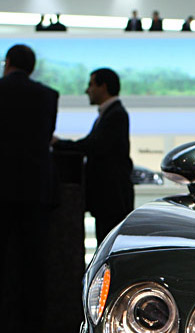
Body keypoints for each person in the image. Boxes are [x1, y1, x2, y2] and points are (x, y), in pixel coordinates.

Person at [0, 45, 59, 330]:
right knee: (35, 258)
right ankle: (35, 324)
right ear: (32, 67)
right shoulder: (48, 96)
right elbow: (46, 137)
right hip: (36, 187)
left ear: (8, 63)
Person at [52, 69, 134, 245]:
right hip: (109, 198)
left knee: (108, 246)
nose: (87, 90)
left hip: (111, 198)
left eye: (91, 85)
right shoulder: (110, 113)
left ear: (103, 87)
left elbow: (93, 145)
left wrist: (59, 143)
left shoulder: (115, 114)